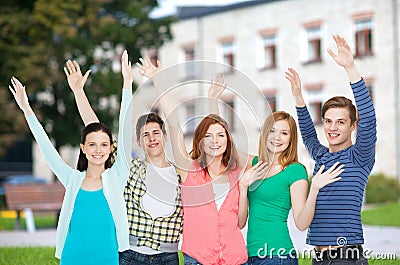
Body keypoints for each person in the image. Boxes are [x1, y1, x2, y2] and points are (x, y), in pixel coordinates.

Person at [8, 51, 133, 265]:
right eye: (92, 144)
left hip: (107, 257)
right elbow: (47, 150)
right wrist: (27, 109)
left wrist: (127, 84)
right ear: (83, 148)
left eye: (104, 145)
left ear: (111, 148)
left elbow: (125, 127)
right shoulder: (73, 179)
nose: (98, 150)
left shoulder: (117, 176)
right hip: (72, 256)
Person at [65, 56, 183, 264]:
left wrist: (157, 80)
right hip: (131, 254)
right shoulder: (129, 167)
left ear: (164, 136)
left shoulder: (180, 172)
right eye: (145, 134)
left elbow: (174, 122)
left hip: (168, 255)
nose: (152, 138)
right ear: (138, 140)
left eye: (156, 132)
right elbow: (95, 129)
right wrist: (78, 92)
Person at [136, 58, 250, 265]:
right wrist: (158, 80)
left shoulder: (237, 174)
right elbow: (173, 123)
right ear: (200, 141)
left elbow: (241, 222)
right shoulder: (189, 169)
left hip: (235, 259)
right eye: (209, 136)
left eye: (221, 136)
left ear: (228, 140)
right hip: (197, 259)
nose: (215, 141)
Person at [286, 35, 376, 264]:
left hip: (346, 256)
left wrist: (350, 68)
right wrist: (298, 96)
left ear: (353, 125)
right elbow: (307, 133)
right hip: (319, 258)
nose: (332, 128)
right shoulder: (321, 156)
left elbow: (369, 118)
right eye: (328, 121)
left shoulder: (360, 156)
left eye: (340, 122)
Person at [238, 111, 343, 265]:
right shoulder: (254, 164)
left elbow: (301, 223)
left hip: (277, 256)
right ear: (265, 133)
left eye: (284, 133)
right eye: (272, 131)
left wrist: (314, 189)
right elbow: (223, 148)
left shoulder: (294, 170)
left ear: (291, 139)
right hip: (250, 255)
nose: (277, 137)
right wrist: (213, 99)